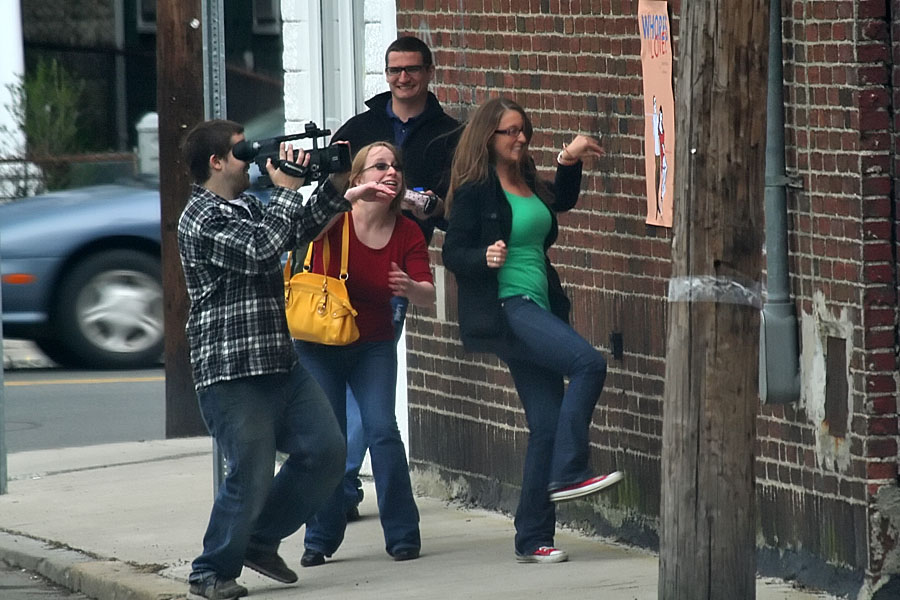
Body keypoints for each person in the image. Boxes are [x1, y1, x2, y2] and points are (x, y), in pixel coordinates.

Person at [442, 98, 624, 565]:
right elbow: (453, 252)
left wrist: (568, 158)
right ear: (488, 137)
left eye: (524, 130)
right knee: (588, 363)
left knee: (545, 424)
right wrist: (484, 257)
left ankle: (532, 537)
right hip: (508, 307)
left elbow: (561, 199)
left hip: (541, 305)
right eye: (510, 131)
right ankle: (571, 469)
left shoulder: (526, 181)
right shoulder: (476, 191)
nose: (520, 138)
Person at [177, 119, 350, 599]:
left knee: (326, 451)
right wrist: (288, 191)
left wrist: (335, 182)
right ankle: (210, 571)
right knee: (250, 473)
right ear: (216, 162)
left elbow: (297, 230)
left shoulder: (250, 206)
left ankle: (259, 540)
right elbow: (260, 251)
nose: (251, 159)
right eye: (241, 152)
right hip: (231, 371)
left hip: (279, 362)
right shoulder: (199, 217)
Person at [328, 35, 460, 520]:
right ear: (385, 75)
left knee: (366, 390)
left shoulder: (449, 134)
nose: (403, 78)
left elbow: (458, 205)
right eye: (394, 70)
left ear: (429, 73)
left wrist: (432, 207)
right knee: (340, 386)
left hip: (396, 269)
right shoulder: (359, 128)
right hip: (341, 270)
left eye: (412, 69)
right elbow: (328, 187)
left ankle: (342, 486)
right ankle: (336, 484)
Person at [294, 141, 434, 567]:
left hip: (372, 344)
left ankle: (403, 535)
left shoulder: (407, 231)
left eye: (396, 166)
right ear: (358, 178)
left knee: (383, 430)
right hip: (319, 345)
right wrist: (347, 197)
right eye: (380, 166)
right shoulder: (334, 219)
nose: (391, 172)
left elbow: (428, 293)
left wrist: (410, 288)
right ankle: (320, 537)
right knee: (330, 440)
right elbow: (301, 232)